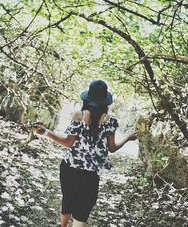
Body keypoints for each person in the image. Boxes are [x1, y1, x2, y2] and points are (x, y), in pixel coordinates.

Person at [33, 80, 138, 227]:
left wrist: (46, 133)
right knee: (82, 213)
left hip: (69, 167)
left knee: (68, 199)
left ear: (87, 99)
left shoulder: (79, 115)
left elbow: (68, 143)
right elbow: (112, 148)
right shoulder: (111, 121)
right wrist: (128, 138)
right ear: (105, 102)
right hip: (90, 174)